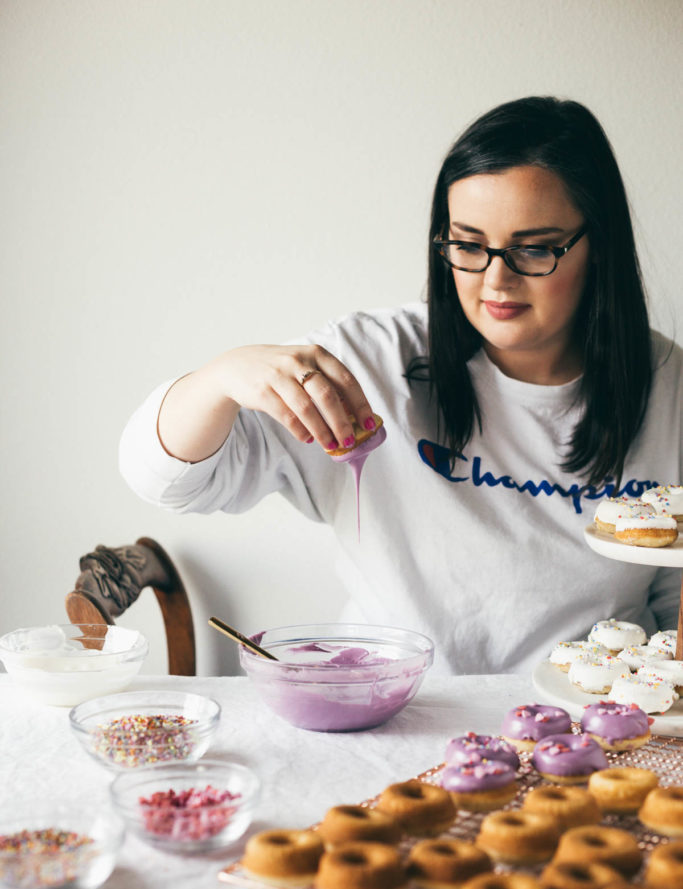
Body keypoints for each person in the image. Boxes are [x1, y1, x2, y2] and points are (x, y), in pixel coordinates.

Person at [119, 96, 683, 675]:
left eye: (533, 248)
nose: (495, 279)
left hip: (587, 727)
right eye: (467, 244)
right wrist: (218, 378)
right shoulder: (369, 361)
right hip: (389, 713)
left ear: (601, 246)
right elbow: (168, 482)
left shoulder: (669, 389)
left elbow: (671, 609)